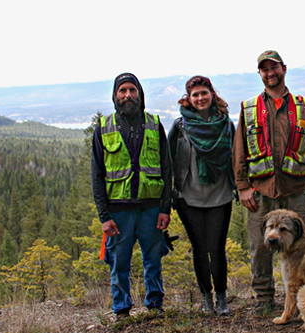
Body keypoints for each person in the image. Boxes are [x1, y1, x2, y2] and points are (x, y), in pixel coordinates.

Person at [233, 50, 305, 313]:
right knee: (260, 248)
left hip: (297, 191)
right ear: (259, 73)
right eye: (264, 69)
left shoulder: (304, 106)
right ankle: (263, 299)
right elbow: (239, 150)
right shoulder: (248, 108)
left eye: (274, 67)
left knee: (304, 249)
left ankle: (303, 299)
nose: (270, 73)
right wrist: (242, 187)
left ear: (284, 69)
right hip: (261, 192)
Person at [92, 73, 172, 319]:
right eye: (122, 91)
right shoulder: (103, 129)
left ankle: (155, 306)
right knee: (119, 263)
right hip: (118, 210)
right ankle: (122, 311)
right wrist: (104, 216)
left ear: (140, 94)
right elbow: (97, 175)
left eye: (132, 90)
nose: (128, 95)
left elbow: (166, 169)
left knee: (154, 259)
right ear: (115, 96)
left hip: (151, 208)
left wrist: (165, 209)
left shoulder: (154, 124)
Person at [168, 75, 235, 316]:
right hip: (188, 197)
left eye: (203, 93)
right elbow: (169, 161)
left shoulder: (226, 123)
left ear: (212, 94)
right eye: (195, 94)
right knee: (199, 248)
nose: (200, 98)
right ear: (189, 98)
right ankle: (206, 297)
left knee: (217, 248)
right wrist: (170, 195)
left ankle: (221, 297)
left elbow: (235, 158)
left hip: (221, 195)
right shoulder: (180, 126)